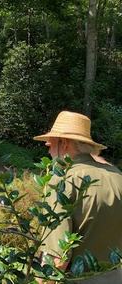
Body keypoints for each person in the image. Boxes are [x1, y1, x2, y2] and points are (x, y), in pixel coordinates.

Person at [34, 111, 122, 280]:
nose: (47, 144)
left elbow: (57, 257)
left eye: (51, 141)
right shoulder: (117, 175)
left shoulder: (62, 181)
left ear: (64, 143)